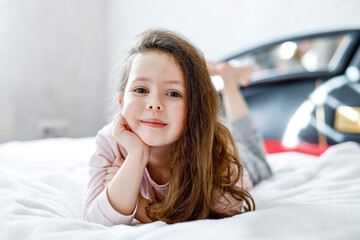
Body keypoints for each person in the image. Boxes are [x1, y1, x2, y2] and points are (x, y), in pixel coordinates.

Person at [83, 29, 272, 226]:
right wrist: (136, 156)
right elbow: (95, 219)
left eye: (173, 93)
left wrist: (138, 206)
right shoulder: (110, 141)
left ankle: (229, 82)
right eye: (141, 90)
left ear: (193, 108)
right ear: (122, 102)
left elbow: (221, 211)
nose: (154, 104)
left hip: (242, 157)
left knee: (250, 147)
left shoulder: (218, 154)